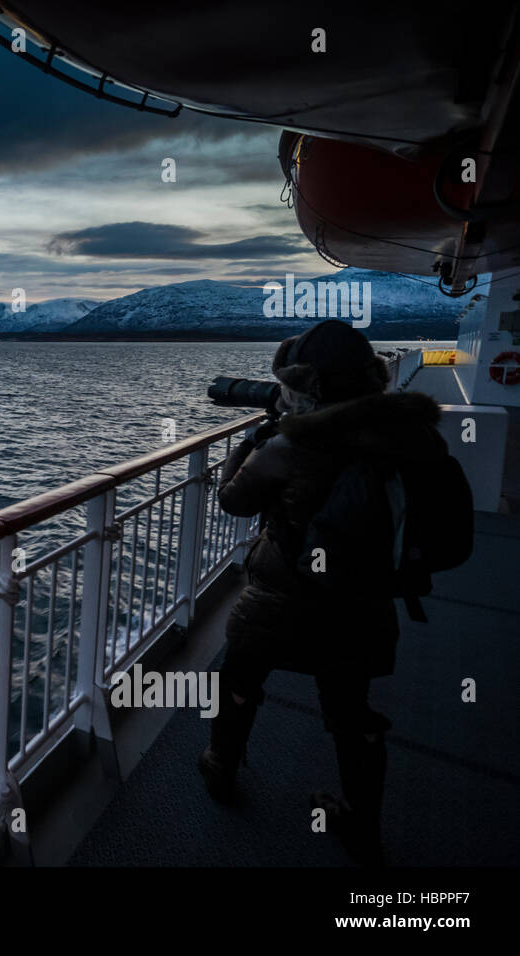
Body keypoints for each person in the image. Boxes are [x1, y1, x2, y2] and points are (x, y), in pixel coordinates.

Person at [198, 319, 446, 866]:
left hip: (280, 600)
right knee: (350, 711)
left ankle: (220, 768)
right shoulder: (411, 435)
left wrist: (253, 439)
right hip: (366, 602)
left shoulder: (289, 446)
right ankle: (360, 825)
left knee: (238, 680)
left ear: (306, 388)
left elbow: (234, 502)